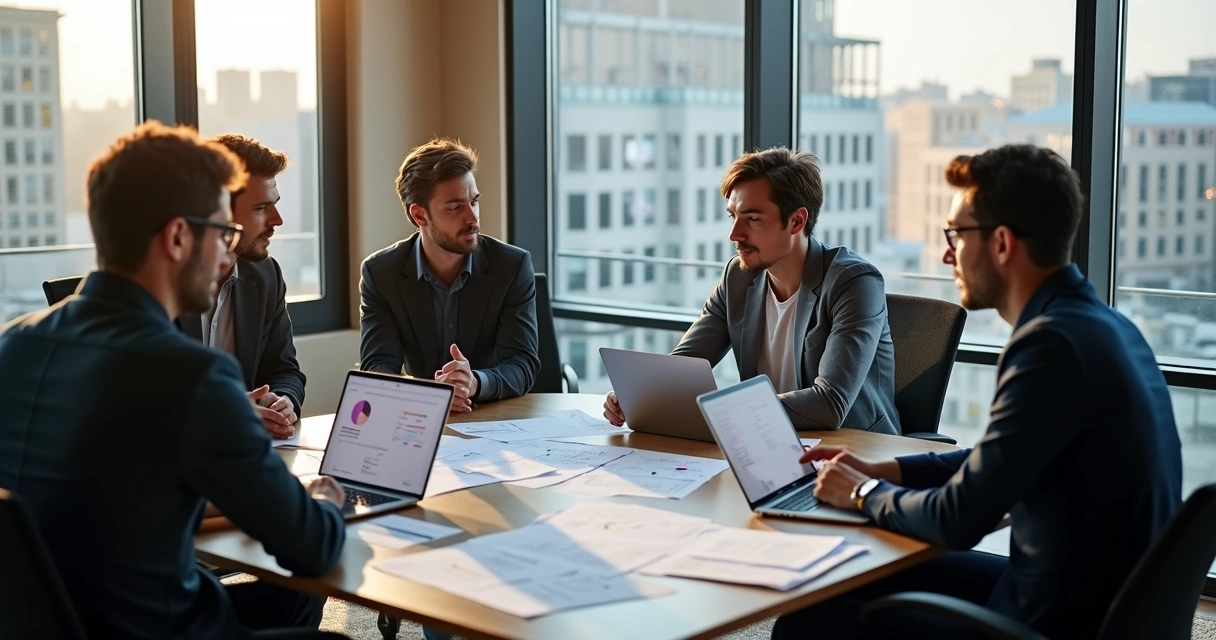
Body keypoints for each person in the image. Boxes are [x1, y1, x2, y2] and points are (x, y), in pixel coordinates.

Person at [774, 145, 1183, 639]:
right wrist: (891, 470)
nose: (948, 253)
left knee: (809, 620)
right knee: (848, 577)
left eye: (957, 234)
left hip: (1048, 622)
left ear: (1003, 243)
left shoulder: (1049, 346)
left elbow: (958, 520)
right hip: (1085, 600)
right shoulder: (1105, 326)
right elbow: (998, 458)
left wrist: (861, 492)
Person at [0, 121, 348, 640]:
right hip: (163, 628)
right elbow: (312, 545)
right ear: (179, 237)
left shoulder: (12, 344)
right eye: (222, 234)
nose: (228, 255)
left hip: (62, 624)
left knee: (286, 601)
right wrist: (325, 500)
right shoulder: (192, 375)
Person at [603, 147, 900, 433]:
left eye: (753, 219)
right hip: (769, 444)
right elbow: (681, 369)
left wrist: (725, 410)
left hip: (858, 454)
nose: (735, 234)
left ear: (797, 221)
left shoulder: (854, 283)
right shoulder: (738, 278)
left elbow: (830, 403)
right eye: (733, 216)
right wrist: (639, 396)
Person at [360, 137, 540, 414]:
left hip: (494, 417)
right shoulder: (381, 273)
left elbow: (522, 363)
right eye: (455, 207)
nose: (473, 218)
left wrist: (475, 383)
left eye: (475, 202)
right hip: (420, 417)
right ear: (420, 215)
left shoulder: (511, 266)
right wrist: (429, 394)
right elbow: (378, 365)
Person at [177, 133, 306, 439]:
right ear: (217, 213)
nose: (277, 220)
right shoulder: (162, 283)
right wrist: (224, 413)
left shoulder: (266, 275)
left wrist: (282, 401)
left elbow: (285, 371)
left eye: (274, 205)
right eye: (261, 208)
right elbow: (140, 405)